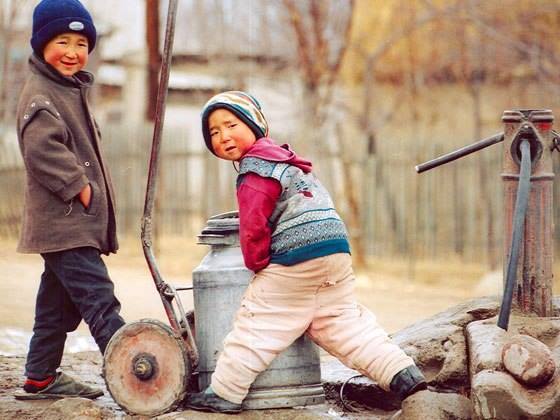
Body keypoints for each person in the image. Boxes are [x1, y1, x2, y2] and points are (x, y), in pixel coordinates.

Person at [186, 91, 427, 414]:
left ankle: (226, 392)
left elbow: (253, 224)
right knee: (342, 322)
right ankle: (401, 373)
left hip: (296, 253)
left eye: (231, 124)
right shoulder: (288, 162)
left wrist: (257, 264)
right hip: (335, 249)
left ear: (256, 124)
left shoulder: (255, 170)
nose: (223, 136)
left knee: (259, 320)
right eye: (213, 132)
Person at [13, 0, 125, 400]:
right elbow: (42, 150)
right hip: (66, 221)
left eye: (81, 43)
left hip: (70, 224)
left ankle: (40, 376)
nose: (73, 51)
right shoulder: (41, 93)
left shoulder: (66, 88)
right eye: (63, 41)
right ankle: (137, 374)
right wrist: (81, 186)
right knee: (99, 299)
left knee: (56, 307)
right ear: (42, 44)